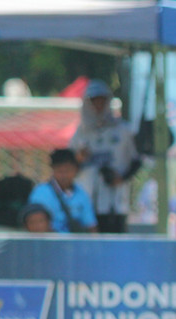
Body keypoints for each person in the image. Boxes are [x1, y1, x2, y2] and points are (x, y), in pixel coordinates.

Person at [69, 79, 140, 233]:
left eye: (102, 101)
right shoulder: (79, 134)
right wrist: (79, 159)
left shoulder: (123, 130)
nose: (98, 106)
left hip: (116, 202)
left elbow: (137, 160)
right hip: (88, 200)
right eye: (94, 101)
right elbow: (67, 167)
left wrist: (122, 178)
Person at [27, 149, 97, 233]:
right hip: (50, 243)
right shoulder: (40, 193)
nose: (64, 175)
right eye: (60, 171)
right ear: (52, 170)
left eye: (68, 170)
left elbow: (91, 225)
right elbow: (36, 225)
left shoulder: (81, 193)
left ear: (76, 170)